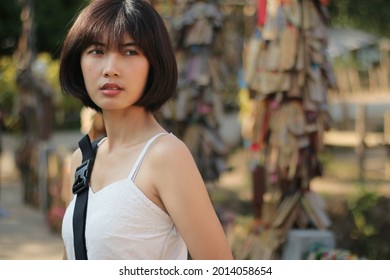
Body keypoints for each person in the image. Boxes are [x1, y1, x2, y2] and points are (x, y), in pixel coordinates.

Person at [59, 0, 233, 260]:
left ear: (154, 63)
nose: (110, 69)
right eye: (97, 51)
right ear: (79, 61)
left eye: (129, 52)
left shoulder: (165, 156)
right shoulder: (81, 160)